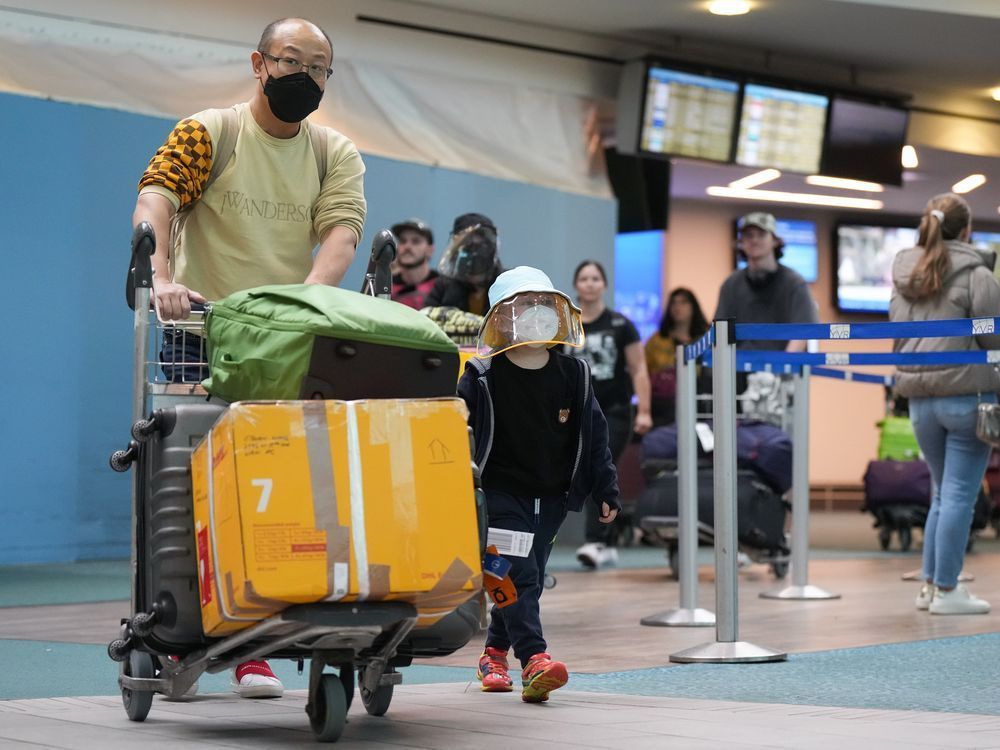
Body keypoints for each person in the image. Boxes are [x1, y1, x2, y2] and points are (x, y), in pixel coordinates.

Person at [132, 17, 367, 699]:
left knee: (278, 497)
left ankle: (253, 647)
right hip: (198, 335)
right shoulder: (212, 132)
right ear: (258, 63)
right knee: (188, 493)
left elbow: (340, 235)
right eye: (292, 62)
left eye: (319, 68)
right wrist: (163, 278)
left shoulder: (334, 152)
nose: (306, 77)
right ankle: (177, 628)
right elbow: (158, 200)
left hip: (283, 342)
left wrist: (303, 306)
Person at [458, 266, 619, 703]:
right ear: (501, 317)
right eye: (523, 305)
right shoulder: (482, 375)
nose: (535, 313)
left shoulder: (575, 375)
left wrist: (606, 489)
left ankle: (493, 654)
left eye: (543, 304)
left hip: (549, 498)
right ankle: (535, 661)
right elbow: (458, 435)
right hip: (497, 495)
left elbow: (595, 436)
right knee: (519, 576)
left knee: (523, 579)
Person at [891, 193, 1000, 615]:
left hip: (920, 403)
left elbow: (897, 338)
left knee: (942, 493)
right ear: (967, 230)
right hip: (966, 398)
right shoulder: (977, 274)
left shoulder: (905, 273)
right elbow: (995, 341)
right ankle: (949, 590)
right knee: (957, 495)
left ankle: (931, 587)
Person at [566, 260, 652, 569]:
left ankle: (595, 541)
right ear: (576, 285)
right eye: (584, 278)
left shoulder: (621, 324)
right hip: (575, 411)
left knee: (597, 466)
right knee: (582, 471)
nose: (589, 283)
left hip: (613, 412)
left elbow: (638, 368)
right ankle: (608, 538)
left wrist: (644, 410)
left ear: (604, 285)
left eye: (595, 278)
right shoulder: (566, 324)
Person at [715, 212, 818, 353]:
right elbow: (721, 334)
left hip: (783, 369)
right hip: (739, 369)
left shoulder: (795, 283)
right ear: (741, 243)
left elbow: (802, 331)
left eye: (761, 234)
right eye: (749, 235)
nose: (754, 240)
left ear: (775, 240)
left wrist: (782, 367)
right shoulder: (731, 285)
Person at [644, 287, 711, 426]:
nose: (677, 307)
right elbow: (644, 373)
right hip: (663, 405)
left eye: (683, 302)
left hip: (700, 402)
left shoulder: (707, 340)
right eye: (674, 303)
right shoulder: (656, 341)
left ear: (693, 307)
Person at [424, 213, 504, 315]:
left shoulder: (507, 285)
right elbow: (425, 320)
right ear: (455, 253)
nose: (475, 254)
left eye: (480, 247)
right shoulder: (444, 286)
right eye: (467, 248)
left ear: (492, 250)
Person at [390, 217, 438, 309]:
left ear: (430, 250)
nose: (407, 246)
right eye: (403, 241)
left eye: (416, 241)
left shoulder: (442, 287)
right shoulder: (385, 288)